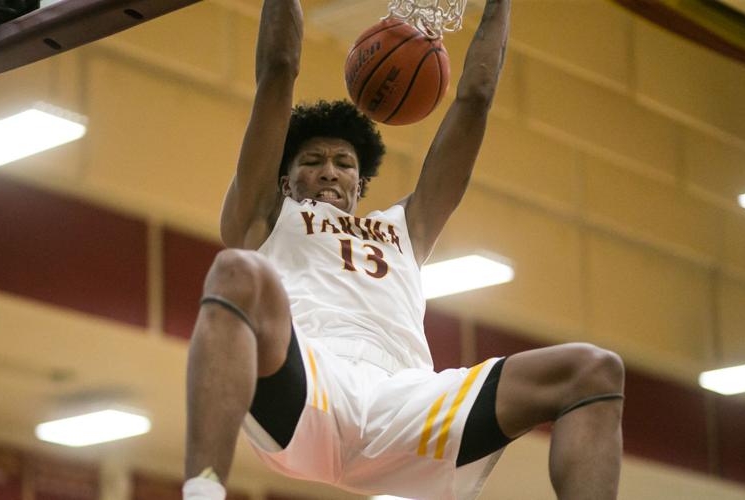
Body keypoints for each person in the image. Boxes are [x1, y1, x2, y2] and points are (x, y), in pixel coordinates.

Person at [184, 0, 625, 498]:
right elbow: (279, 67)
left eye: (344, 163)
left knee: (593, 369)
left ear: (360, 180)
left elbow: (475, 99)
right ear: (285, 179)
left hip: (406, 401)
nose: (330, 170)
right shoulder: (266, 214)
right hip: (312, 382)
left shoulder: (406, 228)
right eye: (313, 160)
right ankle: (202, 491)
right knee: (235, 270)